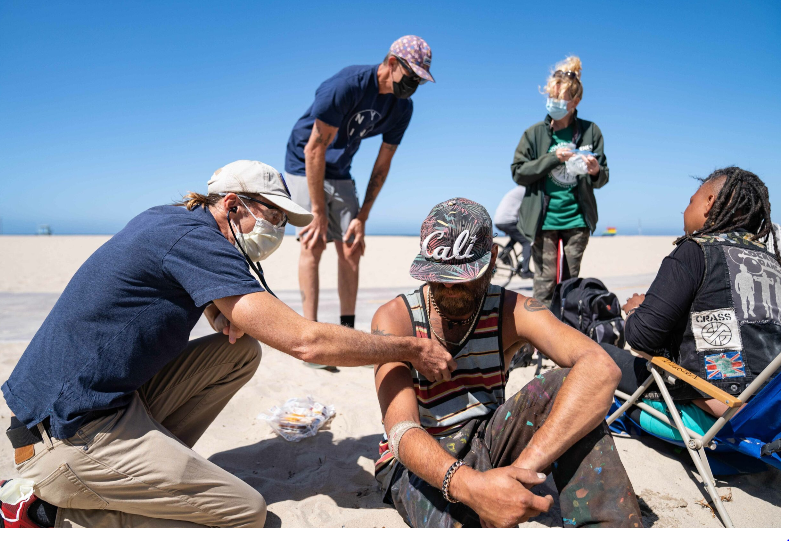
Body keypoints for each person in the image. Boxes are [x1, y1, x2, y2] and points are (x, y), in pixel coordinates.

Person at [0, 160, 453, 528]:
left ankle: (147, 469)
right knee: (244, 512)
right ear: (233, 205)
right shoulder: (199, 241)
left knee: (238, 353)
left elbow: (163, 280)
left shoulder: (172, 221)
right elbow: (306, 342)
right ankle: (45, 514)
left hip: (77, 405)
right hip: (67, 435)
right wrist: (410, 348)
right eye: (273, 216)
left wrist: (214, 308)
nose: (278, 229)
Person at [371, 198, 641, 528]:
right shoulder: (395, 319)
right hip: (419, 458)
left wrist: (520, 472)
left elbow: (601, 368)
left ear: (493, 258)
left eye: (462, 277)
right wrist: (472, 487)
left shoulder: (513, 310)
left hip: (488, 437)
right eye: (440, 277)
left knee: (571, 384)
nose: (450, 287)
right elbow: (402, 431)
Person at [284, 35, 434, 362]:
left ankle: (347, 332)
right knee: (313, 242)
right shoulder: (346, 86)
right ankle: (311, 334)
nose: (414, 86)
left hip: (340, 168)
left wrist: (362, 217)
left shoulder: (402, 108)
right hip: (304, 162)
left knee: (351, 247)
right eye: (412, 77)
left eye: (420, 81)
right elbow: (314, 150)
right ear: (392, 63)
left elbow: (383, 165)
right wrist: (318, 212)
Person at [604, 167, 780, 439]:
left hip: (718, 420)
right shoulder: (773, 263)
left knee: (599, 353)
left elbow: (641, 339)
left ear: (710, 202)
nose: (685, 210)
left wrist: (635, 309)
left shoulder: (695, 250)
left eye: (691, 201)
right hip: (770, 418)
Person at [510, 56, 608, 306]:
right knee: (544, 284)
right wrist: (553, 158)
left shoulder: (591, 131)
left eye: (560, 98)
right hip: (543, 221)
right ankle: (540, 329)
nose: (553, 102)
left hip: (578, 221)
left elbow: (602, 177)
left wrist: (595, 171)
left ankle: (568, 326)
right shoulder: (534, 134)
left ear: (575, 102)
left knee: (571, 284)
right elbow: (518, 172)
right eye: (551, 97)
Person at [493, 185, 532, 278]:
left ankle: (503, 255)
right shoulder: (527, 190)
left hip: (499, 220)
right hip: (508, 221)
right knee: (527, 242)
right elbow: (527, 211)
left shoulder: (517, 190)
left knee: (516, 238)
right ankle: (525, 270)